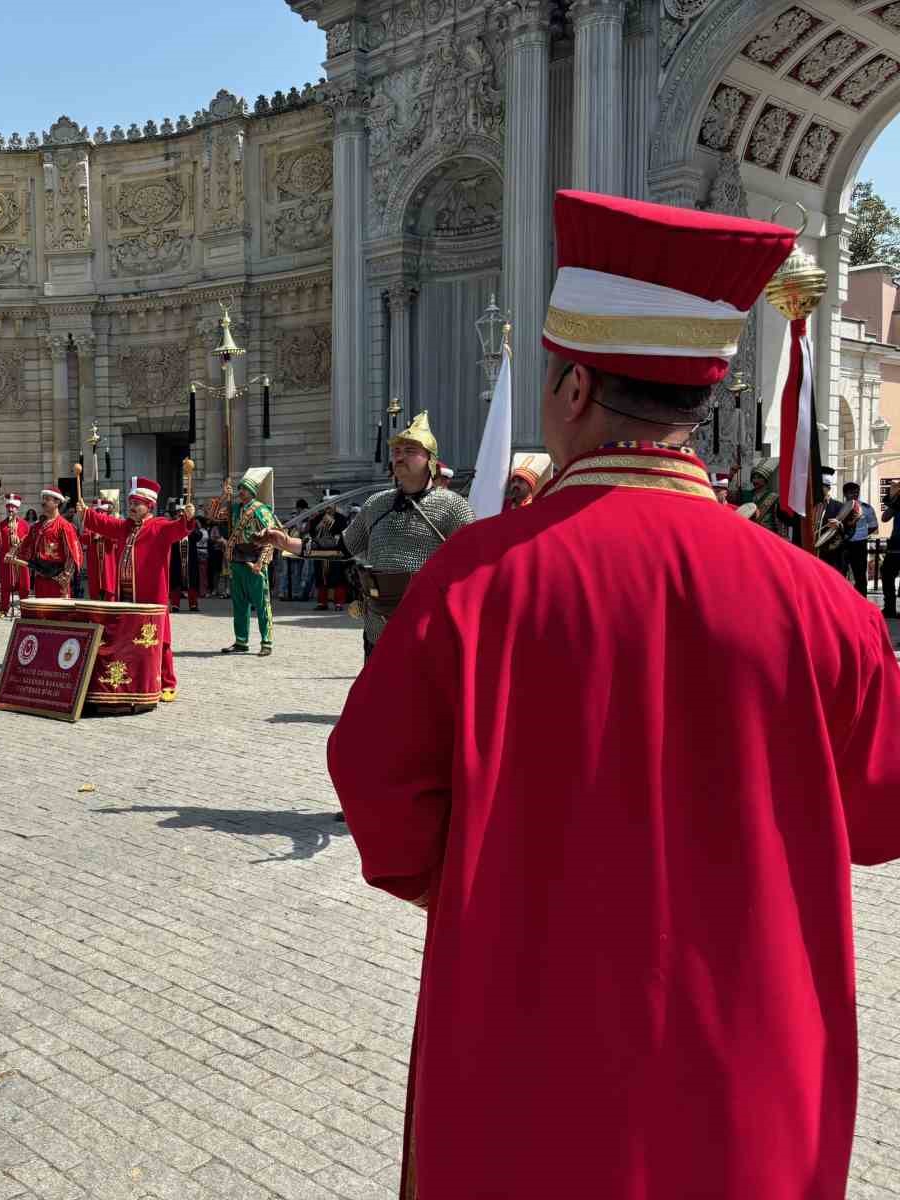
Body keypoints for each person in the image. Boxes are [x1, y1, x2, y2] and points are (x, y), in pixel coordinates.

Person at [329, 188, 900, 1200]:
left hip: (525, 1074)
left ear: (576, 390)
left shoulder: (472, 579)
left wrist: (479, 885)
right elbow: (877, 816)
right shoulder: (825, 607)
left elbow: (378, 789)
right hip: (752, 1086)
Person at [270, 412, 474, 662]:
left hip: (427, 624)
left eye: (410, 450)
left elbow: (472, 567)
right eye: (397, 451)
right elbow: (343, 547)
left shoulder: (453, 506)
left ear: (430, 460)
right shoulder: (376, 504)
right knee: (378, 699)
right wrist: (288, 543)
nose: (400, 456)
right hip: (379, 622)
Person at [75, 477, 194, 703]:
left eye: (136, 503)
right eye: (130, 503)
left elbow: (178, 530)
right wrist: (86, 513)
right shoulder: (126, 527)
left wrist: (186, 519)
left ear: (149, 505)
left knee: (159, 639)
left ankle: (168, 682)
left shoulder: (159, 526)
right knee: (130, 638)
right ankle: (136, 680)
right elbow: (103, 524)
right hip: (127, 595)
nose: (131, 507)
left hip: (151, 596)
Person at [210, 468, 280, 656]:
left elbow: (271, 538)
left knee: (262, 603)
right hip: (237, 560)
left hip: (254, 560)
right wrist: (224, 496)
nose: (240, 492)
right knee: (239, 604)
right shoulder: (234, 508)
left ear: (252, 492)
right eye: (239, 489)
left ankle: (267, 641)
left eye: (244, 489)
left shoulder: (260, 510)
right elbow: (214, 516)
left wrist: (261, 562)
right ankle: (241, 641)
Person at [22, 486, 82, 600]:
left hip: (58, 581)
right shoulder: (36, 527)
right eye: (42, 499)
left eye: (47, 499)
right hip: (40, 580)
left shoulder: (64, 526)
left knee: (58, 615)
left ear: (57, 502)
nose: (43, 502)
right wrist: (15, 549)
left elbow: (72, 553)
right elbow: (25, 548)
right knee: (41, 615)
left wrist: (67, 576)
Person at [835, 480, 878, 592]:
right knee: (840, 574)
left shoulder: (866, 508)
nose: (855, 495)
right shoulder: (839, 508)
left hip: (859, 544)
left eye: (856, 492)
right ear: (845, 494)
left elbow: (873, 525)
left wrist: (862, 534)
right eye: (851, 493)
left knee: (860, 576)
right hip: (843, 544)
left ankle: (861, 602)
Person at [0, 493, 30, 617]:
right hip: (6, 560)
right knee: (5, 586)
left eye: (13, 507)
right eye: (8, 507)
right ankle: (4, 610)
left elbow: (29, 541)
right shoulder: (1, 525)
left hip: (20, 559)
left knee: (24, 586)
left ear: (17, 509)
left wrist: (20, 540)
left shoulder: (24, 524)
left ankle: (25, 610)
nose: (10, 509)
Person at [310, 498, 348, 610]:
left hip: (335, 551)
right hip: (320, 551)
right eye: (326, 505)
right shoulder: (317, 518)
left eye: (330, 505)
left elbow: (344, 532)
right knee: (321, 577)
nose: (328, 508)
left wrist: (332, 525)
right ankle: (322, 602)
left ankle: (338, 603)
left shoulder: (341, 518)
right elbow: (312, 532)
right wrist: (319, 526)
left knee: (338, 577)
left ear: (335, 506)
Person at [168, 501, 202, 613]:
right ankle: (175, 604)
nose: (182, 515)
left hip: (190, 559)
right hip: (177, 559)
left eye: (184, 513)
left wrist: (189, 527)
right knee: (175, 581)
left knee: (192, 580)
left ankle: (193, 603)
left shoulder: (193, 524)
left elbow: (198, 536)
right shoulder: (173, 524)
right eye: (180, 513)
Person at [85, 496, 119, 602]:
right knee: (95, 589)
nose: (100, 515)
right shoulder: (89, 524)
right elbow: (83, 538)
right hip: (94, 561)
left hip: (108, 559)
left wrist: (105, 534)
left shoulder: (112, 521)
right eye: (97, 512)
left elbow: (117, 537)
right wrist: (92, 536)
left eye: (102, 512)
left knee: (109, 584)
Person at [279, 498, 309, 600]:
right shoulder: (293, 519)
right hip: (290, 548)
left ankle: (294, 593)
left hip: (297, 547)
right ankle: (284, 592)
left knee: (297, 572)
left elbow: (302, 531)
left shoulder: (305, 520)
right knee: (287, 572)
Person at [882, 479, 900, 617]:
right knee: (887, 574)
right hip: (895, 543)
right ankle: (890, 608)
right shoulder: (897, 503)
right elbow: (885, 517)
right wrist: (894, 501)